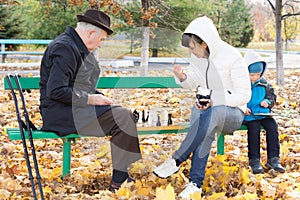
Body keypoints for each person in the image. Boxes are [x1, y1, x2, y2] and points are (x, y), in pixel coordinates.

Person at [39, 9, 141, 192]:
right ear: (91, 33)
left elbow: (78, 85)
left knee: (124, 115)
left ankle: (122, 176)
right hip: (61, 114)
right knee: (122, 118)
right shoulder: (65, 48)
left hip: (74, 110)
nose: (101, 44)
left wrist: (99, 96)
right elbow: (55, 91)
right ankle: (120, 181)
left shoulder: (76, 47)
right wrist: (91, 99)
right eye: (102, 39)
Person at [153, 16, 251, 199]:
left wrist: (215, 99)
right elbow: (193, 82)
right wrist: (182, 77)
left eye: (192, 47)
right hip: (207, 110)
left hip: (232, 113)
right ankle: (194, 185)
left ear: (204, 43)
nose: (191, 52)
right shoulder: (198, 58)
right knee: (203, 121)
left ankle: (177, 159)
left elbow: (244, 95)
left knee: (211, 114)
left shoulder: (232, 56)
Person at [243, 50, 285, 174]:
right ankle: (254, 160)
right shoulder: (242, 84)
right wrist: (243, 107)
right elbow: (237, 97)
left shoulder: (264, 84)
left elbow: (272, 96)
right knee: (254, 129)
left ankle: (274, 158)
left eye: (258, 74)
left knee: (272, 127)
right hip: (250, 115)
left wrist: (267, 101)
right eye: (251, 75)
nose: (254, 78)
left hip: (263, 113)